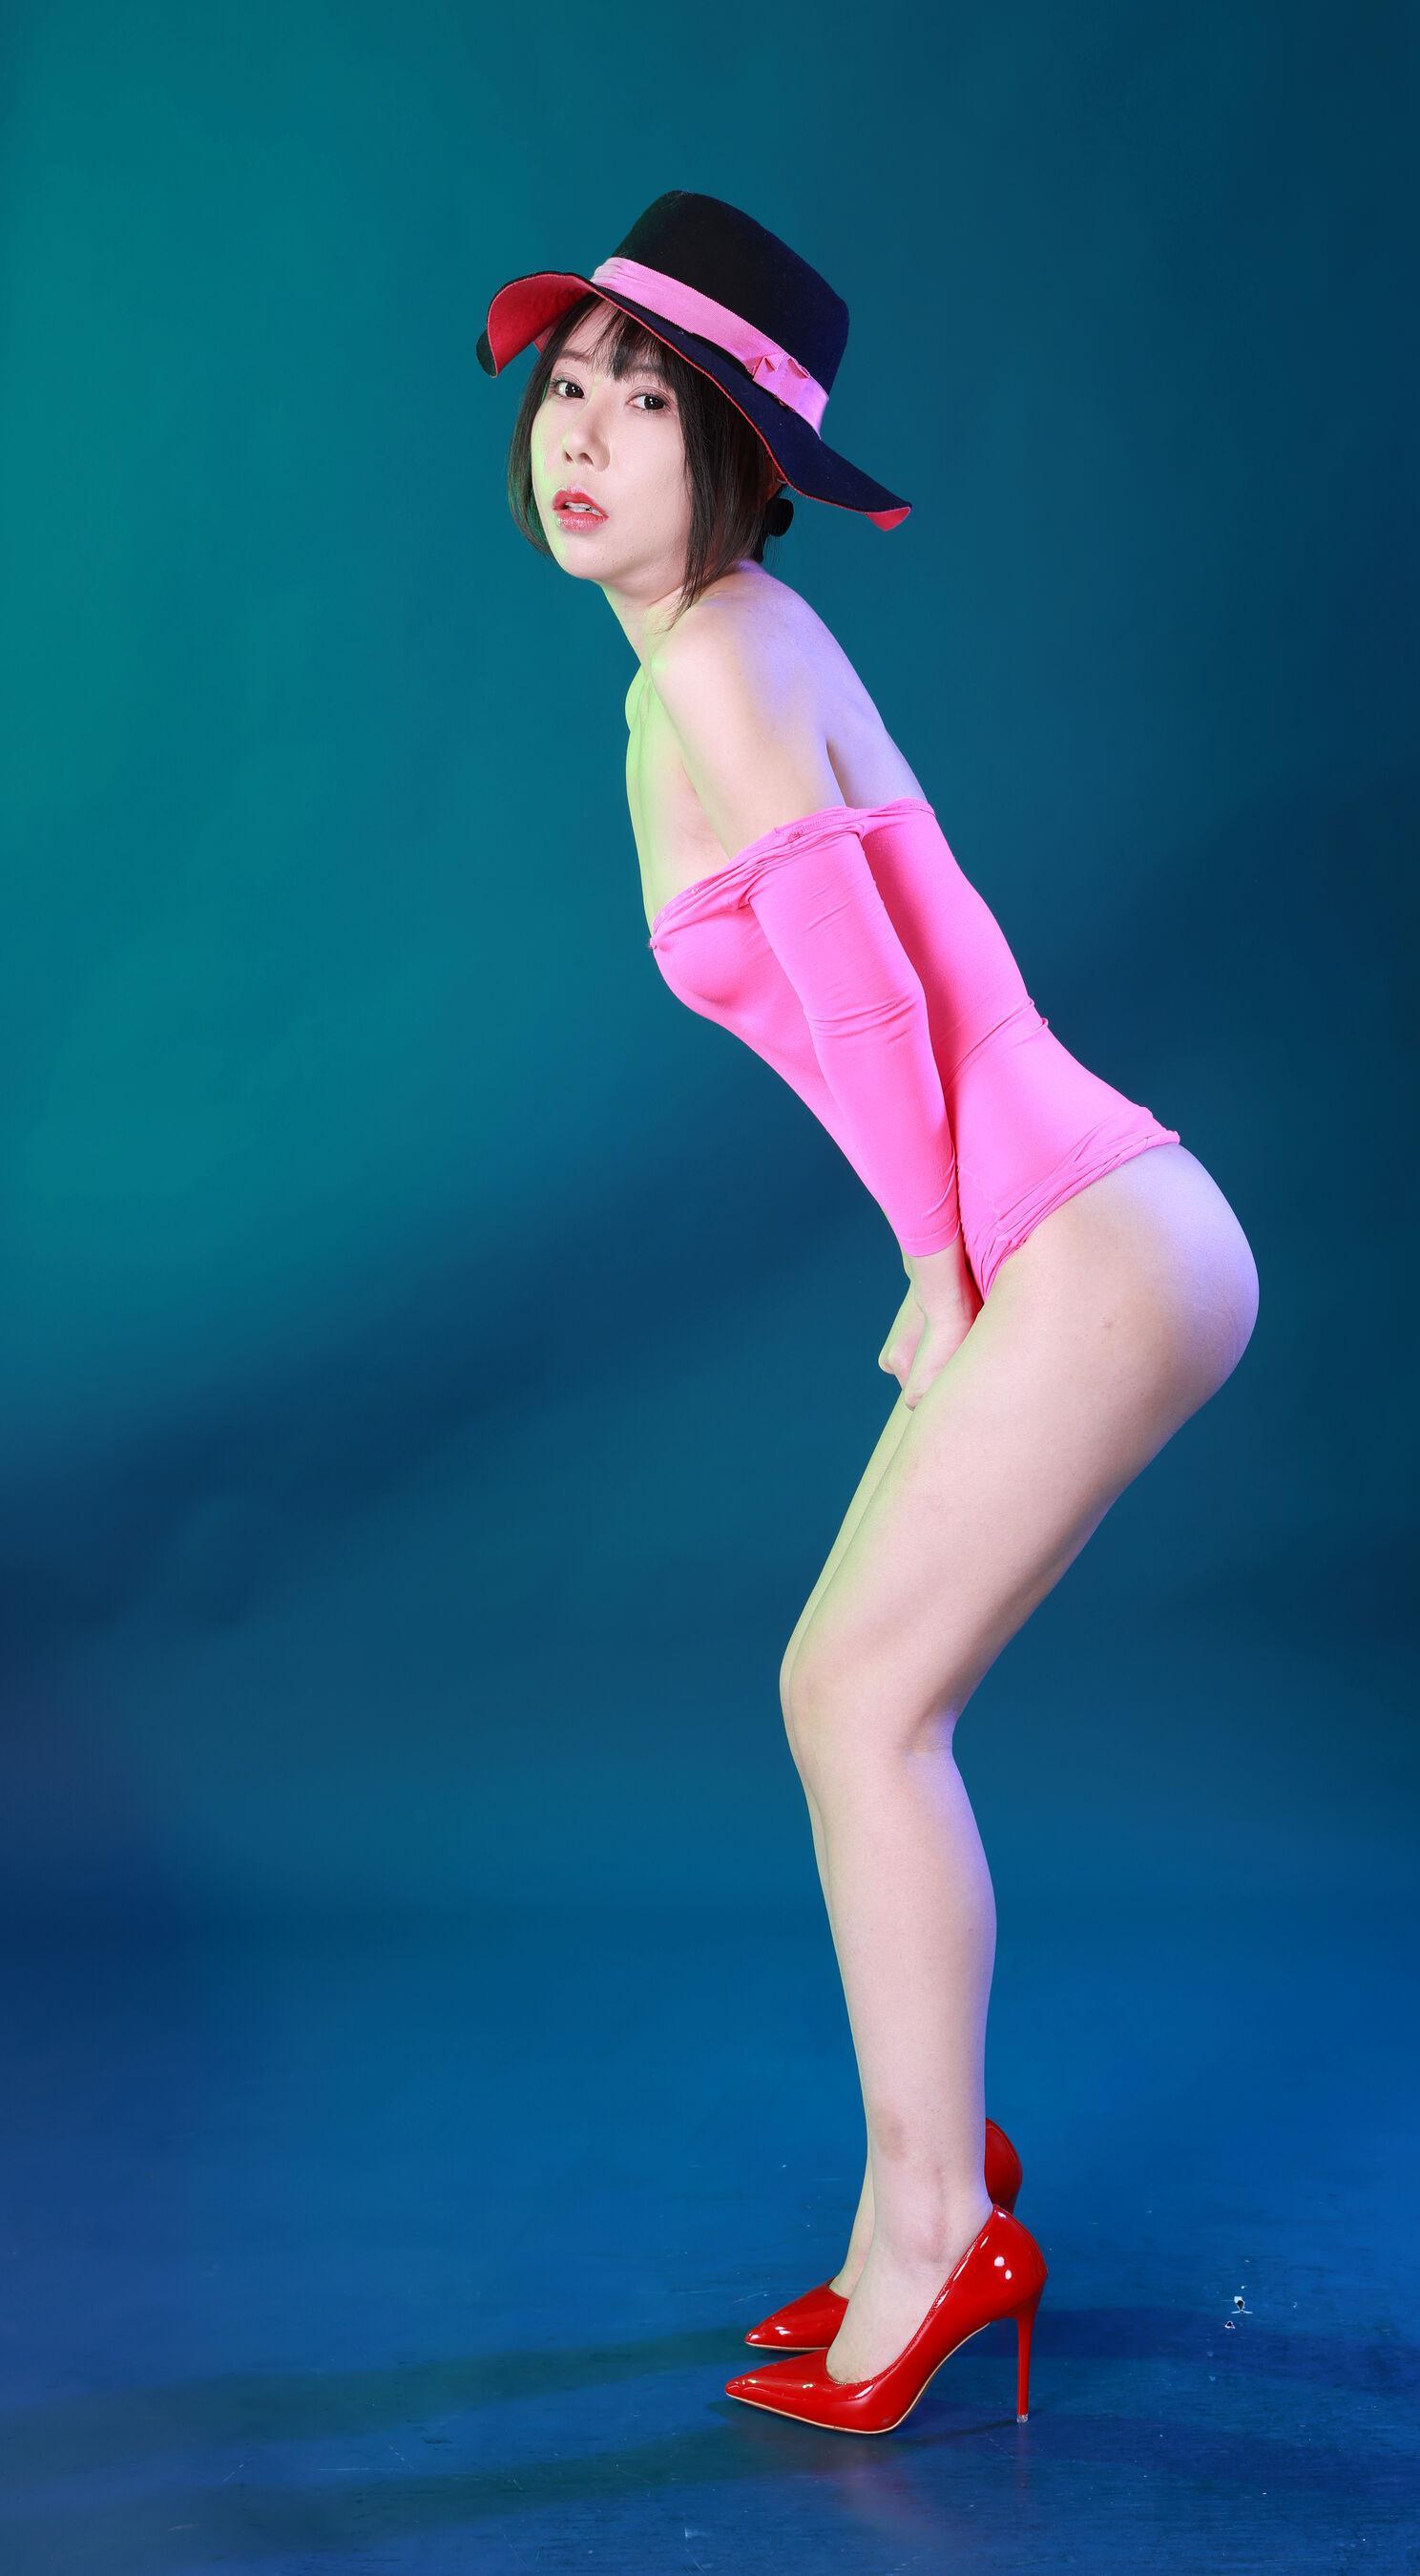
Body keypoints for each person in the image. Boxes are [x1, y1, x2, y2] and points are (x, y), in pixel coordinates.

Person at [476, 192, 1260, 2437]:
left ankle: (937, 2241)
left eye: (645, 403)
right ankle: (899, 2219)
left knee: (856, 1704)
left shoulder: (723, 657)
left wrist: (937, 1261)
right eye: (568, 391)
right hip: (1083, 1222)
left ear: (737, 455)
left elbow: (871, 996)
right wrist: (949, 1248)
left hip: (1081, 1226)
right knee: (845, 1696)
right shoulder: (705, 658)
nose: (582, 437)